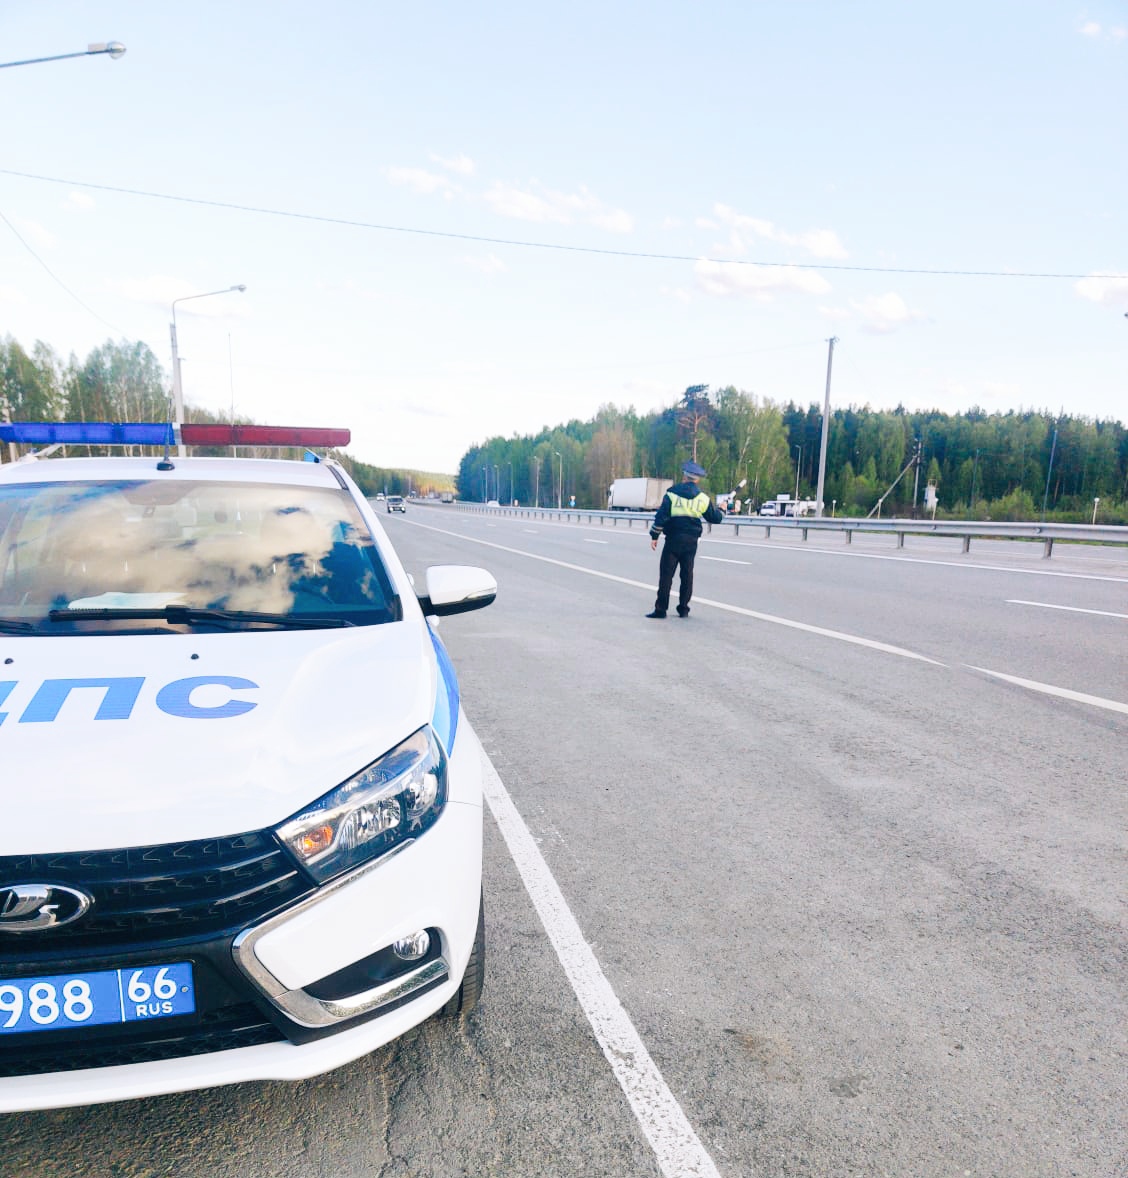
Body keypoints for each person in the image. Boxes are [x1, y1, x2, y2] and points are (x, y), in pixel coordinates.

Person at [647, 461, 725, 619]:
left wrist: (655, 536)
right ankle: (683, 609)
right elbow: (715, 518)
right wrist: (722, 509)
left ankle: (661, 610)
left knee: (666, 575)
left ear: (684, 476)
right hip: (691, 542)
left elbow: (661, 517)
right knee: (687, 575)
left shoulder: (671, 494)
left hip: (673, 539)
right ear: (698, 479)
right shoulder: (703, 498)